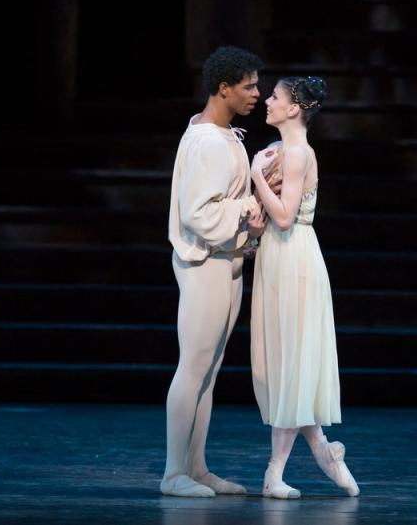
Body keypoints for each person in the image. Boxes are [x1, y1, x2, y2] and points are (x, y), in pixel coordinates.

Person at [162, 46, 267, 497]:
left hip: (226, 260)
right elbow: (198, 214)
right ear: (223, 88)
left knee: (209, 370)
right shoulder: (207, 141)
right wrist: (247, 206)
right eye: (249, 86)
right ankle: (173, 473)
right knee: (193, 367)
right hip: (204, 261)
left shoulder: (224, 137)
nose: (257, 95)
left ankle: (196, 466)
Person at [249, 76, 360, 499]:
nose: (267, 101)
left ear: (294, 108)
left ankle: (275, 472)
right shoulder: (280, 150)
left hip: (295, 257)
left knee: (293, 361)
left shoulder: (296, 153)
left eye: (274, 97)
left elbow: (283, 216)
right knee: (285, 364)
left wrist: (256, 174)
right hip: (277, 258)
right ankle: (324, 452)